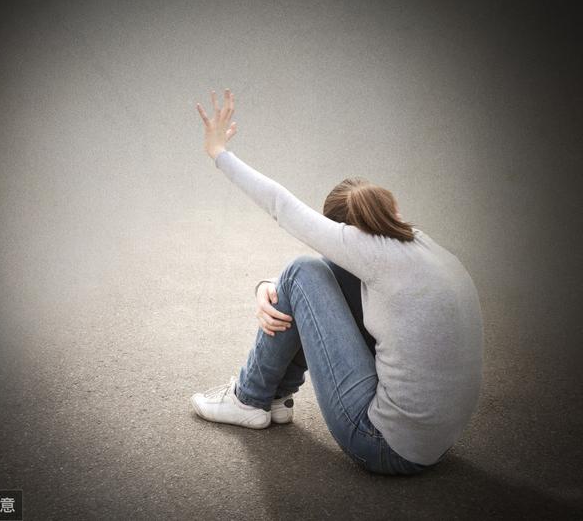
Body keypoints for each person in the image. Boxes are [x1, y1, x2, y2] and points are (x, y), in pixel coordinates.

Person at [190, 89, 483, 475]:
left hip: (383, 445)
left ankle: (248, 398)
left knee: (300, 271)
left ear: (348, 234)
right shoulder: (427, 250)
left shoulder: (369, 254)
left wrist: (218, 153)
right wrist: (270, 286)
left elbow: (281, 205)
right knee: (310, 276)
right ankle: (276, 397)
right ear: (391, 208)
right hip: (436, 443)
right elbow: (327, 276)